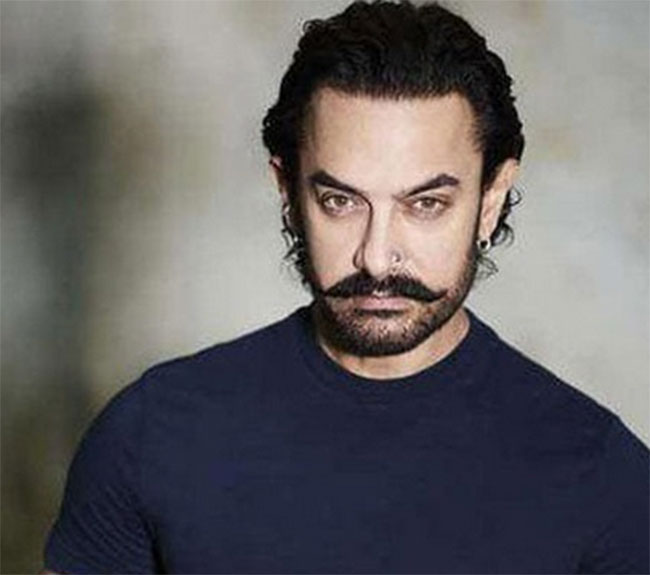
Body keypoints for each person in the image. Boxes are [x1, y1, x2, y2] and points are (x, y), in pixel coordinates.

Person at [44, 1, 649, 573]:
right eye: (340, 201)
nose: (376, 256)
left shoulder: (602, 476)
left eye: (426, 204)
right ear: (288, 191)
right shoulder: (151, 435)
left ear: (490, 200)